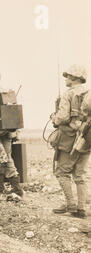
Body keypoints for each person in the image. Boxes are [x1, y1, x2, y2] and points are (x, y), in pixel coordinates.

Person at [51, 65, 89, 218]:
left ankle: (71, 204)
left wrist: (54, 118)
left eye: (68, 76)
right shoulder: (89, 93)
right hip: (86, 138)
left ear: (74, 78)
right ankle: (81, 208)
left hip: (69, 139)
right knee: (80, 175)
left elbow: (63, 118)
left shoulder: (68, 94)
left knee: (61, 172)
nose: (66, 79)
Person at [0, 67, 24, 197]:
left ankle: (16, 187)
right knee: (3, 156)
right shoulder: (6, 93)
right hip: (8, 132)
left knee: (3, 158)